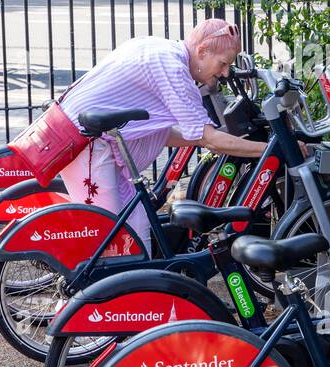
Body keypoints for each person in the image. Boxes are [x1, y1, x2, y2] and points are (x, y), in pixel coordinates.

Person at [57, 19, 269, 254]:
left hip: (99, 144)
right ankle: (101, 289)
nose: (225, 72)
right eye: (223, 63)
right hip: (87, 144)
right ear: (202, 50)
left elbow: (171, 135)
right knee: (110, 237)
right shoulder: (173, 68)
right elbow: (208, 139)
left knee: (137, 231)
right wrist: (268, 150)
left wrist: (209, 138)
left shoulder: (165, 52)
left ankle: (138, 286)